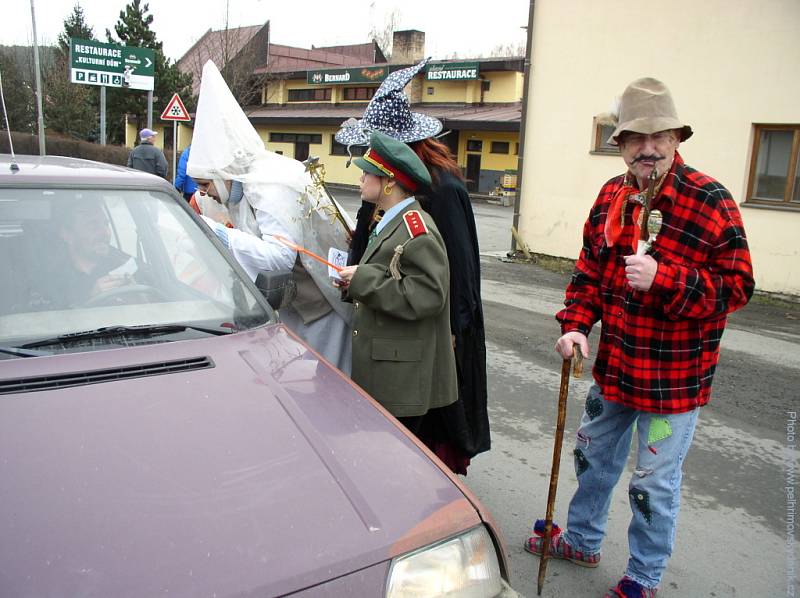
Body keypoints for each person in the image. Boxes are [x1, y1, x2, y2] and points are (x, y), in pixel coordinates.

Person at [524, 78, 754, 598]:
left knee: (653, 485)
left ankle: (644, 578)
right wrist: (577, 325)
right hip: (615, 371)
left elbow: (738, 286)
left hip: (673, 387)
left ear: (676, 139)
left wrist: (665, 278)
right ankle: (582, 542)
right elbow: (589, 271)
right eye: (635, 138)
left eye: (659, 136)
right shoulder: (612, 195)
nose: (647, 148)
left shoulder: (710, 200)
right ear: (621, 143)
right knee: (592, 459)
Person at [335, 58, 489, 475]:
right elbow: (376, 235)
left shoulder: (440, 190)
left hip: (436, 327)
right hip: (392, 319)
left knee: (428, 415)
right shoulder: (388, 190)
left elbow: (454, 269)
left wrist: (454, 331)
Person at [188, 61, 353, 374]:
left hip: (322, 304)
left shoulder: (269, 183)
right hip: (294, 302)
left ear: (223, 173)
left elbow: (279, 258)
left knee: (331, 381)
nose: (204, 193)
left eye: (205, 184)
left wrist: (217, 234)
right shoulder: (238, 188)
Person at [337, 131, 457, 434]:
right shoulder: (392, 221)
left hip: (400, 377)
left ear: (389, 181)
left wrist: (363, 280)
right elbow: (388, 279)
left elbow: (429, 295)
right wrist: (355, 285)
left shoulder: (416, 229)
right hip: (387, 368)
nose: (361, 180)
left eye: (368, 174)